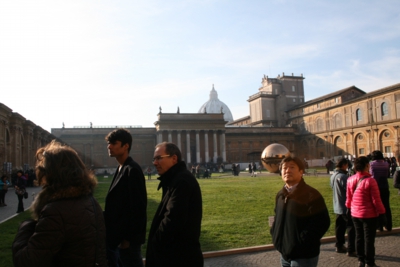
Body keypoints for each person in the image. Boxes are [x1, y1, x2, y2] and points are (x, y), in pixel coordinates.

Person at [12, 140, 107, 267]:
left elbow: (27, 261)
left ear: (52, 173)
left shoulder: (56, 212)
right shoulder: (91, 201)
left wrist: (26, 226)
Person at [146, 142, 203, 267]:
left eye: (159, 158)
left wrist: (155, 243)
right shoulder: (173, 180)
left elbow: (173, 220)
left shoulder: (182, 181)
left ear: (174, 158)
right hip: (176, 256)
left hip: (179, 259)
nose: (155, 163)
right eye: (154, 159)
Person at [270, 156, 330, 267]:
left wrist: (301, 242)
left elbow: (322, 222)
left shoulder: (311, 195)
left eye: (292, 167)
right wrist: (275, 235)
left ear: (301, 172)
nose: (287, 171)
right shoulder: (280, 195)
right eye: (284, 168)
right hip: (284, 254)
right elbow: (277, 218)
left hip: (304, 255)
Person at [104, 129, 147, 267]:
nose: (109, 146)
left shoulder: (132, 170)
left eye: (113, 143)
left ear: (126, 146)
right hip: (119, 238)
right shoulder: (121, 168)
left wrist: (128, 239)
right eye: (108, 143)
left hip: (127, 241)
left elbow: (138, 208)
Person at [346, 156, 386, 267]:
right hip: (369, 214)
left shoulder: (350, 179)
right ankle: (369, 262)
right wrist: (382, 213)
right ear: (367, 166)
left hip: (355, 213)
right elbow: (376, 200)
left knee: (359, 237)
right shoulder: (371, 181)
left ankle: (361, 260)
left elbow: (348, 198)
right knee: (369, 239)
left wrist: (349, 208)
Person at [330, 158, 356, 256]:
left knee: (339, 227)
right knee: (350, 228)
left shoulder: (333, 176)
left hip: (337, 205)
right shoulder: (344, 177)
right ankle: (351, 249)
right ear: (344, 165)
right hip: (346, 206)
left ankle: (339, 245)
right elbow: (350, 191)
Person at [369, 150, 392, 231]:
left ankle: (379, 226)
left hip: (376, 186)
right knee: (386, 206)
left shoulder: (371, 164)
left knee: (377, 207)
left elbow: (371, 175)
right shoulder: (386, 164)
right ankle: (388, 225)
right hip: (385, 186)